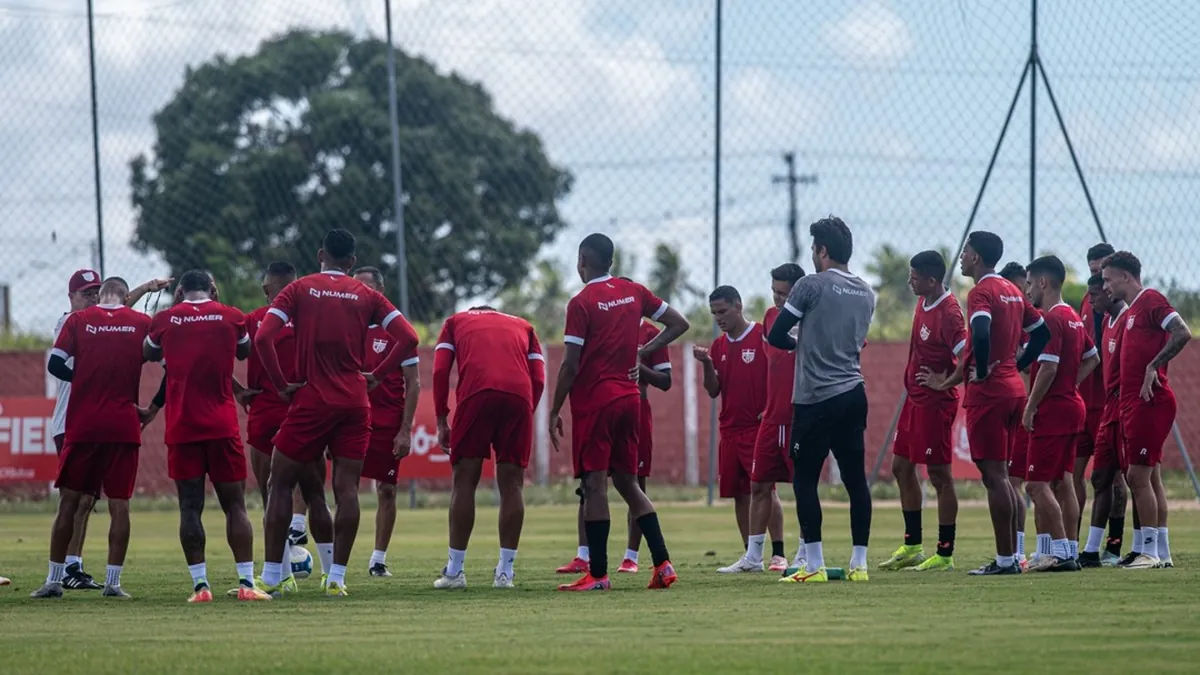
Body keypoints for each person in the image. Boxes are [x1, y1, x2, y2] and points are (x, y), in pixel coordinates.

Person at [254, 229, 419, 597]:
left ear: (320, 255)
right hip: (354, 402)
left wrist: (281, 383)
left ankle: (271, 576)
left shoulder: (299, 289)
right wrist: (376, 375)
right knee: (347, 490)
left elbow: (264, 337)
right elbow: (409, 337)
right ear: (352, 262)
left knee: (279, 482)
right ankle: (337, 579)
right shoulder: (367, 295)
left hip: (311, 399)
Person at [549, 233, 690, 592]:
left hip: (596, 403)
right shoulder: (635, 293)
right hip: (630, 400)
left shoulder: (581, 303)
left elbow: (570, 364)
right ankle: (663, 563)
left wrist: (553, 408)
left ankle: (597, 574)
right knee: (627, 483)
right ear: (610, 261)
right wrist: (643, 352)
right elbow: (679, 323)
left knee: (594, 485)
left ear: (583, 260)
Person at [143, 270, 272, 602]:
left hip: (183, 426)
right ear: (212, 289)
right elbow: (243, 352)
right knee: (235, 506)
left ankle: (201, 587)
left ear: (181, 291)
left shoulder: (166, 320)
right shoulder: (231, 316)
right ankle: (246, 583)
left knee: (189, 506)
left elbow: (149, 352)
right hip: (221, 425)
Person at [768, 217, 876, 584]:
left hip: (815, 398)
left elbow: (777, 333)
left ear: (822, 250)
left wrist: (799, 344)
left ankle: (812, 565)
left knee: (804, 480)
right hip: (854, 392)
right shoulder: (866, 292)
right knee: (855, 481)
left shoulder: (809, 285)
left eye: (814, 249)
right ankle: (859, 565)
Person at [49, 269, 170, 591]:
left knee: (88, 500)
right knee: (77, 499)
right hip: (68, 421)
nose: (89, 298)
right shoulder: (69, 322)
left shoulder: (90, 322)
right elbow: (117, 310)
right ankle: (69, 567)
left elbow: (116, 308)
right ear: (71, 297)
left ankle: (72, 566)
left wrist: (142, 289)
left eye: (94, 292)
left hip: (87, 420)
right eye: (84, 293)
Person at [957, 231, 1050, 576]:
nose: (962, 257)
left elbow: (980, 332)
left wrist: (981, 370)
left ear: (977, 257)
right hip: (1014, 389)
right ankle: (1011, 556)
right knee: (1004, 478)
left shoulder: (981, 292)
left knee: (995, 478)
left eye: (966, 252)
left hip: (991, 393)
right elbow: (1041, 333)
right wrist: (1020, 364)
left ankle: (1005, 560)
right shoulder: (1013, 290)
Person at [556, 304, 673, 576]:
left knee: (628, 482)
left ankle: (628, 558)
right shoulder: (602, 325)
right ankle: (585, 555)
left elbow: (666, 381)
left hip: (630, 409)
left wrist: (640, 369)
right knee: (592, 484)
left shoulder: (651, 334)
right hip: (606, 407)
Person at [432, 306, 545, 589]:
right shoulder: (524, 325)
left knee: (464, 482)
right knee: (513, 486)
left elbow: (440, 370)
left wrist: (441, 417)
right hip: (519, 396)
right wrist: (526, 409)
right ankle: (505, 573)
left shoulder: (455, 321)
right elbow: (540, 378)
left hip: (477, 394)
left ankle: (455, 571)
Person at [1101, 251, 1190, 569]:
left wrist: (1155, 365)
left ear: (1126, 276)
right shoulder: (1131, 312)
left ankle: (1149, 552)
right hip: (1133, 403)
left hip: (1149, 400)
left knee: (1137, 476)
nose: (1105, 285)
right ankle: (1158, 552)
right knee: (1149, 477)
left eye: (1108, 279)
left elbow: (1182, 331)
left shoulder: (1150, 299)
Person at [880, 250, 966, 572]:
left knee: (940, 476)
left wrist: (944, 383)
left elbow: (966, 357)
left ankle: (944, 553)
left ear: (932, 280)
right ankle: (913, 545)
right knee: (902, 467)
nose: (909, 282)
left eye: (915, 278)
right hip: (914, 401)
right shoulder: (923, 301)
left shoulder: (950, 313)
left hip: (935, 404)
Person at [1021, 256, 1099, 572]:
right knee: (1063, 480)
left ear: (1043, 282)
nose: (1026, 291)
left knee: (1036, 485)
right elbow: (1092, 358)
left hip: (1054, 411)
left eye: (1028, 283)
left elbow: (1049, 367)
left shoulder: (1052, 319)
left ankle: (1063, 553)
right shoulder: (1074, 317)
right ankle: (1058, 550)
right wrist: (1070, 383)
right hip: (1072, 405)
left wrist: (1030, 407)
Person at [242, 262, 314, 560]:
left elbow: (217, 357)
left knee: (269, 494)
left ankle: (279, 572)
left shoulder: (255, 320)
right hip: (303, 412)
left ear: (265, 290)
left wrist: (236, 390)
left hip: (264, 412)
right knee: (314, 490)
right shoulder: (311, 321)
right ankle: (332, 577)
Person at [694, 285, 769, 569]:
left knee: (764, 489)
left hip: (757, 427)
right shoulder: (719, 346)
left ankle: (777, 553)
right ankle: (751, 556)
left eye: (723, 311)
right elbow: (713, 391)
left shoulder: (762, 335)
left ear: (739, 305)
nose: (719, 318)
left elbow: (777, 374)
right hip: (730, 428)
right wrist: (706, 364)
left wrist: (772, 409)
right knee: (740, 493)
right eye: (714, 314)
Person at [353, 266, 420, 578]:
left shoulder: (396, 330)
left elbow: (414, 383)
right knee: (342, 487)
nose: (360, 294)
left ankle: (378, 560)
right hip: (349, 419)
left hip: (386, 423)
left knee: (387, 491)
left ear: (379, 292)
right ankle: (335, 561)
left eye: (365, 288)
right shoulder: (343, 327)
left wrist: (405, 429)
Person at [746, 264, 806, 574]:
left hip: (802, 416)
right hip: (772, 417)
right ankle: (753, 557)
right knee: (759, 485)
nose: (778, 299)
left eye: (784, 293)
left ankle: (806, 553)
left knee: (803, 488)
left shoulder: (816, 316)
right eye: (774, 292)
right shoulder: (770, 318)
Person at [1078, 274, 1129, 567]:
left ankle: (1152, 547)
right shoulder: (1105, 319)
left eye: (1097, 292)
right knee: (1100, 478)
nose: (1092, 298)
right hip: (1106, 407)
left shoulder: (1128, 319)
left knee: (1136, 477)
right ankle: (1089, 549)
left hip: (1124, 408)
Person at [1073, 244, 1115, 534]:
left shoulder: (1121, 310)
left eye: (1101, 271)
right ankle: (1071, 544)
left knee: (1113, 478)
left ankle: (1114, 543)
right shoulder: (1088, 301)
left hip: (1107, 402)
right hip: (1082, 403)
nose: (1097, 277)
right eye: (1092, 271)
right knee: (1070, 475)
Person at [996, 262, 1034, 565]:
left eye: (1026, 286)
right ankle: (1014, 550)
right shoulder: (1006, 320)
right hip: (1012, 405)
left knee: (1015, 481)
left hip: (1024, 409)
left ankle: (1018, 551)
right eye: (1019, 287)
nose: (1023, 292)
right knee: (1008, 479)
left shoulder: (1031, 321)